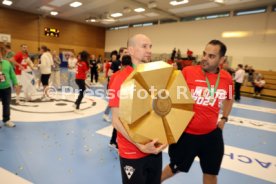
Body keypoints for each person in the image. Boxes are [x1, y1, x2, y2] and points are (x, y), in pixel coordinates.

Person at [161, 40, 234, 184]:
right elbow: (171, 96)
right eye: (204, 54)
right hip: (186, 135)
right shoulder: (188, 72)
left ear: (221, 59)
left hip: (211, 135)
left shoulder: (227, 78)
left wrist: (224, 118)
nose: (205, 58)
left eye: (211, 56)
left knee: (211, 173)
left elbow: (230, 98)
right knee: (174, 168)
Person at [109, 34, 167, 184]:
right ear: (131, 50)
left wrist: (166, 138)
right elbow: (116, 121)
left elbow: (161, 111)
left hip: (154, 148)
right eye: (144, 46)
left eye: (150, 46)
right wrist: (140, 146)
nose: (149, 50)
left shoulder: (155, 76)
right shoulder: (119, 78)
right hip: (132, 151)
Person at [0, 49, 19, 128]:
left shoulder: (7, 63)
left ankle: (6, 120)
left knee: (6, 104)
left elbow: (12, 74)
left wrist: (15, 84)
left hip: (6, 88)